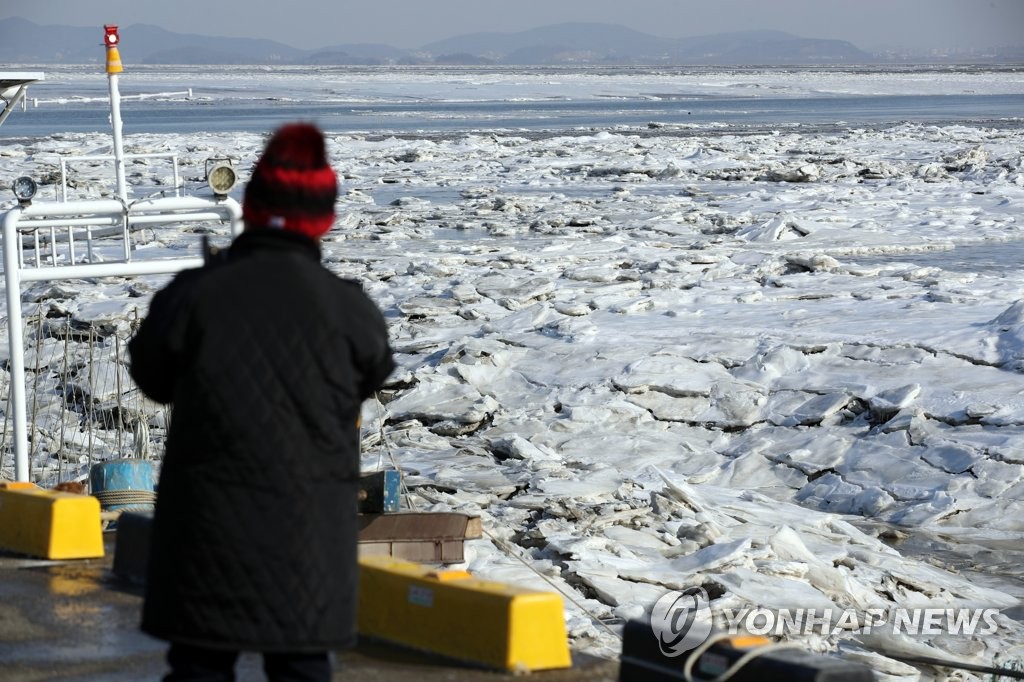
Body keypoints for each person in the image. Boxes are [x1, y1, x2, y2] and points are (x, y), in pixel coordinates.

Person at [128, 122, 395, 682]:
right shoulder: (347, 309)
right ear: (323, 218)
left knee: (201, 664)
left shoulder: (194, 295)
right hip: (307, 537)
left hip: (206, 529)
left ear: (250, 205)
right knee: (300, 664)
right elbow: (375, 369)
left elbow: (151, 376)